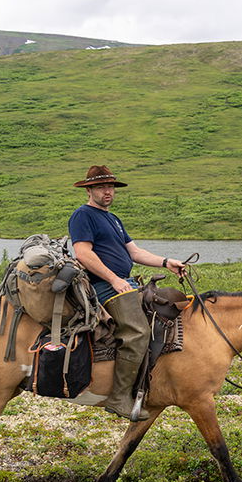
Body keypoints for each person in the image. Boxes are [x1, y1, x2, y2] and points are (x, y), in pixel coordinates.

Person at [68, 165, 185, 421]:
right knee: (138, 331)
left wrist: (167, 262)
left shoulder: (113, 218)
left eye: (110, 187)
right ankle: (119, 397)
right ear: (89, 190)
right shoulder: (82, 216)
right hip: (103, 286)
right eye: (101, 187)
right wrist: (114, 279)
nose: (107, 191)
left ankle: (150, 382)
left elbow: (134, 252)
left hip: (123, 282)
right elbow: (83, 254)